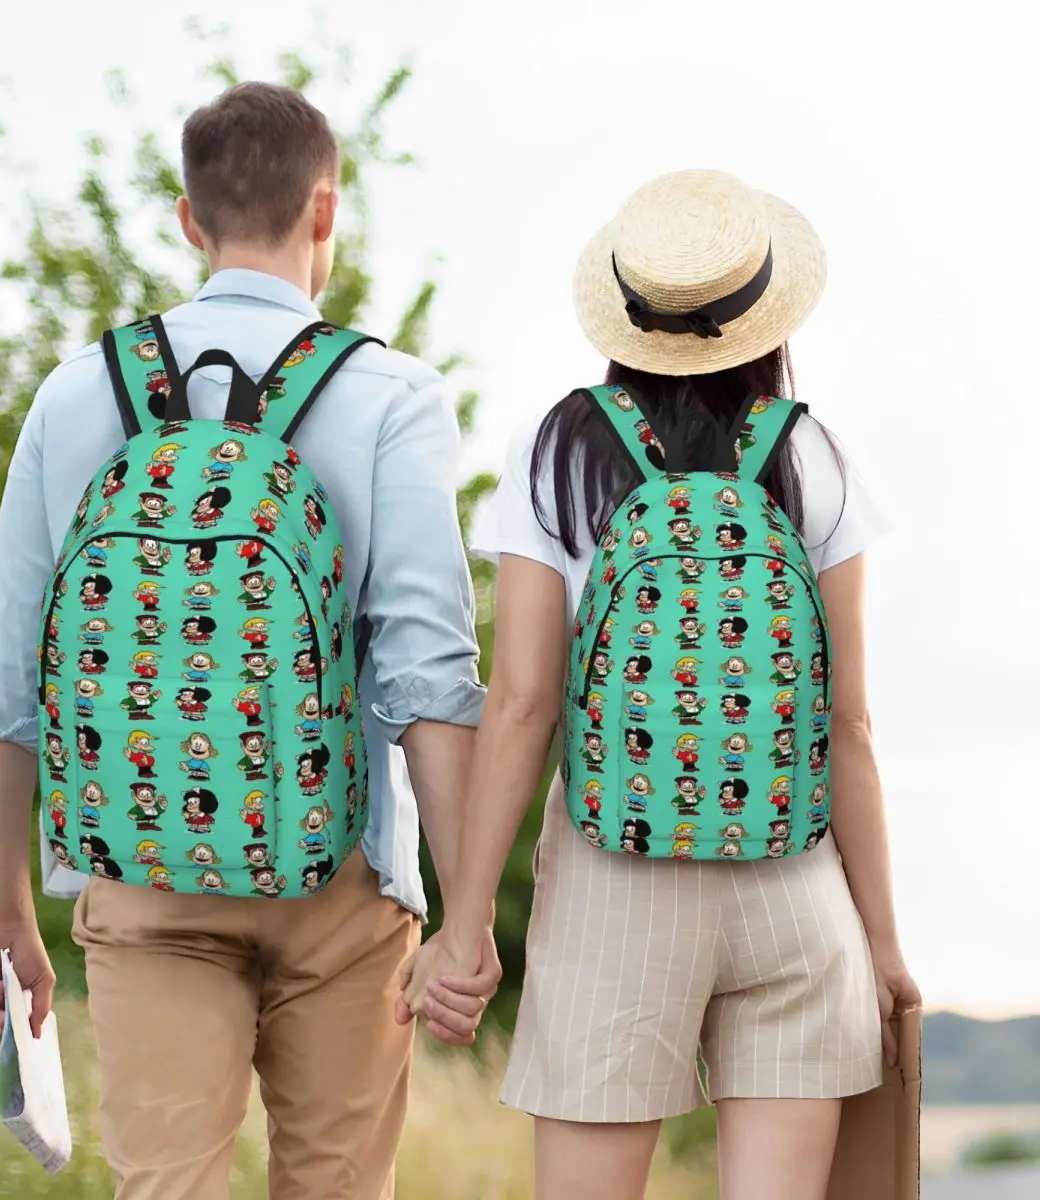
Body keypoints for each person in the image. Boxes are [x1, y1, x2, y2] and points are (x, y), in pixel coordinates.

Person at [0, 81, 501, 1200]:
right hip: (342, 876)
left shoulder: (77, 394)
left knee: (165, 1186)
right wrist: (468, 916)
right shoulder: (390, 394)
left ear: (189, 219)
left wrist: (3, 911)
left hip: (141, 872)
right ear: (326, 213)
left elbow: (2, 684)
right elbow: (429, 680)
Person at [399, 169, 921, 1200]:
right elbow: (849, 724)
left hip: (613, 883)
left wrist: (463, 927)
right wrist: (883, 943)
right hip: (794, 884)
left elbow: (522, 705)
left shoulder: (557, 450)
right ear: (765, 316)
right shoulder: (813, 454)